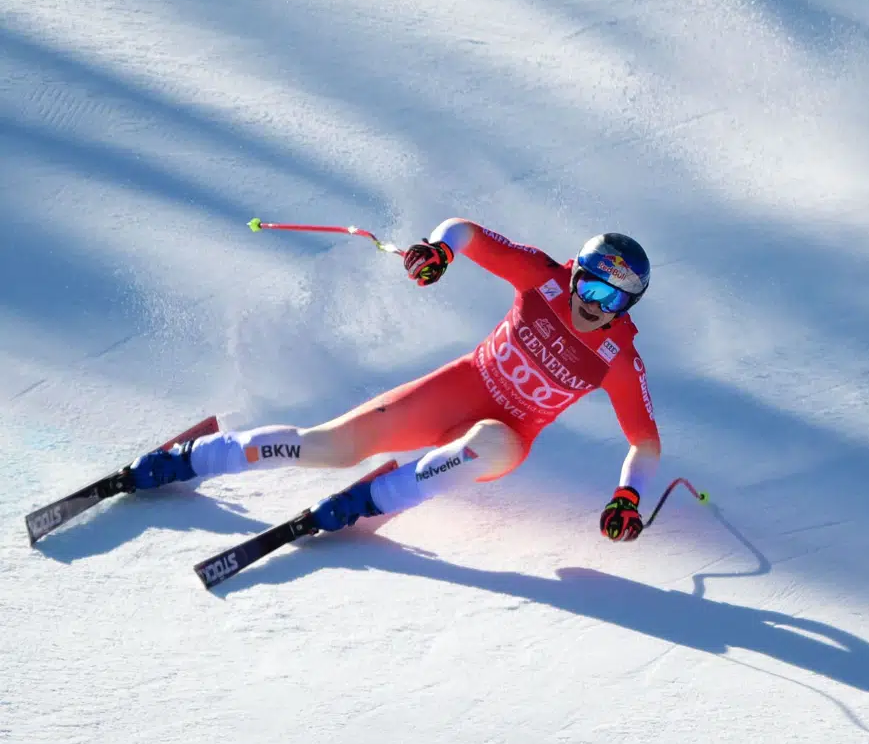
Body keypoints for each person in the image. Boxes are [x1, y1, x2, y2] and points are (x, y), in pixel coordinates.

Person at [127, 220, 661, 542]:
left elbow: (644, 441)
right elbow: (467, 231)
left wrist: (628, 496)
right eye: (590, 289)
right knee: (330, 446)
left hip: (503, 439)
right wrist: (439, 249)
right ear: (573, 275)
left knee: (490, 443)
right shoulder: (541, 278)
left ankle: (380, 496)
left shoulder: (619, 357)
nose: (595, 307)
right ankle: (194, 457)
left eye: (613, 301)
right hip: (452, 392)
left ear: (628, 304)